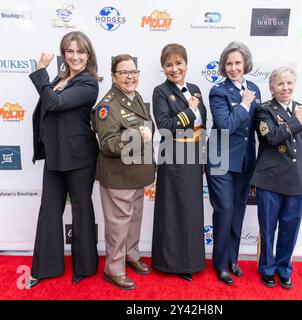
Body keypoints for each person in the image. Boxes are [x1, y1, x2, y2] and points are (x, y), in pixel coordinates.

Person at [25, 31, 101, 289]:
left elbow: (55, 103)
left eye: (80, 52)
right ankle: (45, 267)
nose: (75, 56)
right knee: (48, 210)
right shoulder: (60, 78)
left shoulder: (89, 83)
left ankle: (85, 267)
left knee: (81, 209)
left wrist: (40, 71)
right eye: (70, 51)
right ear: (64, 53)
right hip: (55, 155)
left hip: (80, 156)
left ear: (88, 55)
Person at [250, 66, 302, 289]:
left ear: (294, 85)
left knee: (291, 228)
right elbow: (270, 137)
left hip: (297, 180)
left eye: (289, 83)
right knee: (268, 228)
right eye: (280, 84)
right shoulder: (263, 110)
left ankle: (283, 268)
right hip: (270, 179)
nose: (285, 88)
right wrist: (296, 122)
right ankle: (267, 269)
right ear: (271, 88)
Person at [92, 54, 155, 290]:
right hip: (119, 176)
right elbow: (108, 144)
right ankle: (114, 269)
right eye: (124, 72)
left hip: (137, 174)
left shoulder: (134, 95)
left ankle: (131, 254)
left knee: (134, 220)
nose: (130, 77)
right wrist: (139, 136)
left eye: (134, 72)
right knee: (118, 225)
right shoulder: (107, 106)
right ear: (113, 75)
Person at [205, 42, 261, 285]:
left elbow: (258, 127)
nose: (234, 68)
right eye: (229, 63)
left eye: (237, 63)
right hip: (220, 159)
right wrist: (246, 103)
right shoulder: (218, 91)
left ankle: (233, 259)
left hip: (245, 160)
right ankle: (220, 264)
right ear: (223, 66)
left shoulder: (255, 87)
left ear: (245, 63)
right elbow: (226, 125)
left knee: (237, 210)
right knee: (225, 210)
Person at [151, 43, 207, 281]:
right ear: (163, 68)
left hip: (194, 157)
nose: (174, 69)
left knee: (192, 211)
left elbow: (202, 125)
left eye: (179, 63)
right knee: (174, 210)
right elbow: (165, 127)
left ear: (186, 63)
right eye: (169, 64)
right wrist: (190, 111)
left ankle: (191, 259)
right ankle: (171, 263)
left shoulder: (195, 88)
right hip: (173, 157)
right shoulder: (160, 91)